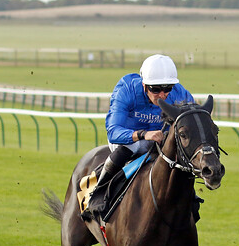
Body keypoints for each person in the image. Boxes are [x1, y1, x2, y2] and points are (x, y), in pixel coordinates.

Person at [83, 54, 195, 220]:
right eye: (155, 89)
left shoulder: (178, 93)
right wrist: (143, 134)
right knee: (133, 147)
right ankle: (98, 194)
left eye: (167, 88)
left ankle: (191, 200)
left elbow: (193, 118)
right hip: (129, 139)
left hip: (161, 140)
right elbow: (113, 132)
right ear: (144, 85)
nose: (162, 95)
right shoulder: (126, 90)